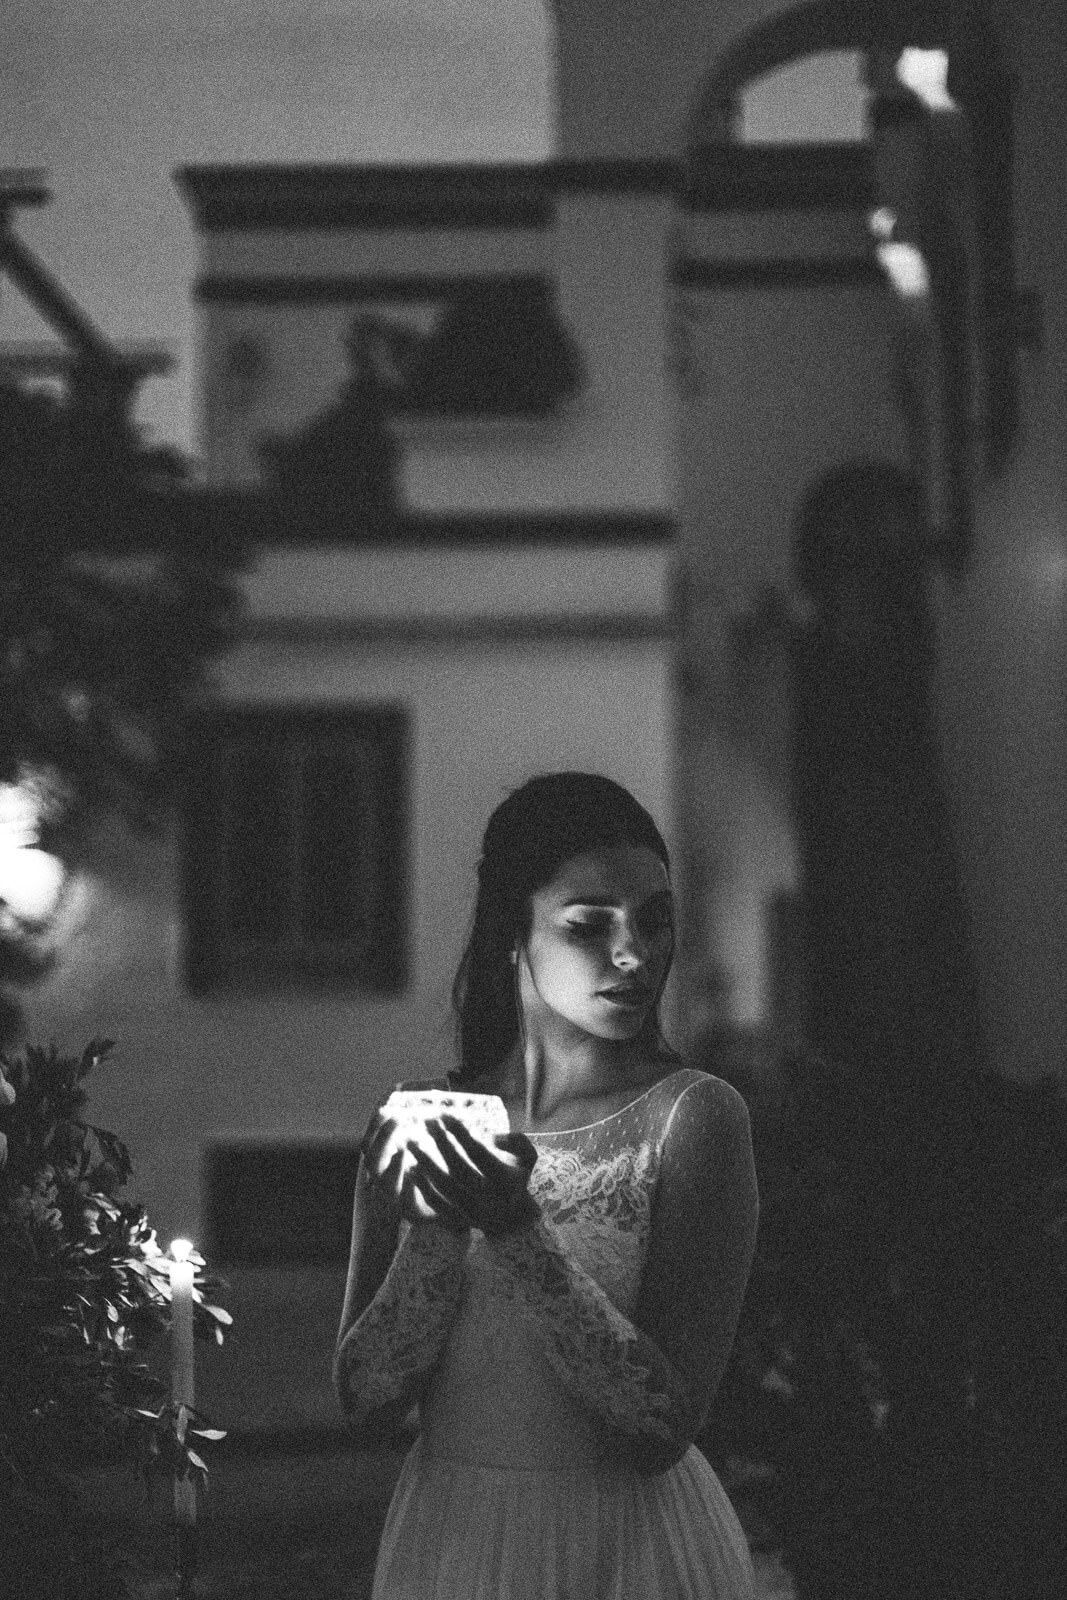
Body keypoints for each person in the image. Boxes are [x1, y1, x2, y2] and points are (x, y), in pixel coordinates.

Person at [334, 772, 759, 1599]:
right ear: (510, 930)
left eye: (654, 919)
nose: (634, 953)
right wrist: (436, 1230)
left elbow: (662, 1431)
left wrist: (516, 1232)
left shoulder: (693, 1117)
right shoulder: (424, 1121)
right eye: (589, 924)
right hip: (451, 1545)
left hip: (624, 1549)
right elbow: (365, 1400)